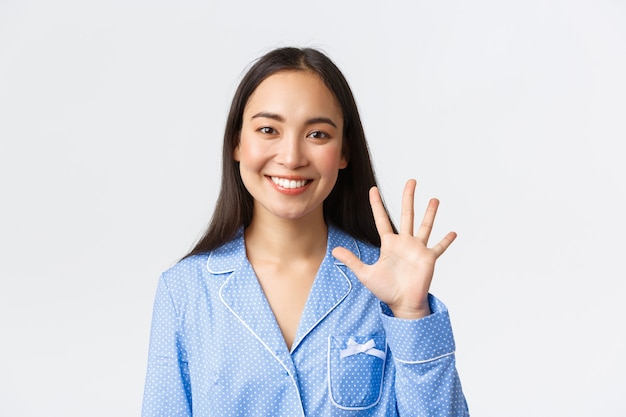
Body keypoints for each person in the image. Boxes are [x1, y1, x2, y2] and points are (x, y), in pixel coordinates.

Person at [141, 46, 469, 417]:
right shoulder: (185, 290)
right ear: (236, 142)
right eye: (268, 130)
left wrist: (412, 313)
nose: (292, 156)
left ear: (344, 151)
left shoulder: (386, 283)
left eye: (317, 134)